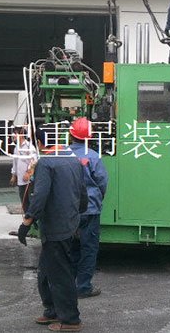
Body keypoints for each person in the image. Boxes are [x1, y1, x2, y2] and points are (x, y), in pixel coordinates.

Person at [17, 126, 88, 332]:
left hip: (56, 228)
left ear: (39, 143)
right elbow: (82, 193)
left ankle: (71, 320)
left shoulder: (46, 163)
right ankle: (52, 310)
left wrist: (27, 221)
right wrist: (76, 213)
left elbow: (40, 196)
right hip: (69, 224)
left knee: (60, 274)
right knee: (46, 272)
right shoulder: (74, 160)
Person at [68, 118, 108, 299]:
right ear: (89, 137)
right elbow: (102, 182)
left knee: (71, 249)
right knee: (88, 249)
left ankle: (68, 285)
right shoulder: (93, 156)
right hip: (90, 210)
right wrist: (98, 199)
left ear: (71, 134)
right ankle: (83, 287)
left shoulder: (63, 154)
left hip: (68, 210)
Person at [10, 126, 37, 212]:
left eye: (14, 134)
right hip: (21, 180)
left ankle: (32, 219)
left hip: (29, 181)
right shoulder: (16, 148)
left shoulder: (29, 146)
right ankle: (27, 218)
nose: (12, 136)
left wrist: (28, 172)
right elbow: (15, 163)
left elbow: (34, 161)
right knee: (24, 202)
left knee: (31, 202)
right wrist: (13, 176)